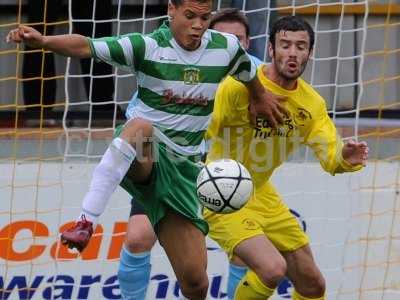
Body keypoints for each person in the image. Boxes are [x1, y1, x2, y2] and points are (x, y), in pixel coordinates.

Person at [6, 1, 286, 298]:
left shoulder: (225, 48)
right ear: (172, 9)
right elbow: (86, 46)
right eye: (189, 16)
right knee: (140, 127)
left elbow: (246, 71)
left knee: (196, 282)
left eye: (204, 17)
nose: (198, 25)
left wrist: (259, 96)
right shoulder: (146, 46)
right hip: (144, 156)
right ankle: (85, 222)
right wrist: (44, 40)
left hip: (184, 173)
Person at [204, 15, 369, 300]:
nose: (293, 53)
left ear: (310, 53)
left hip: (262, 193)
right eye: (285, 45)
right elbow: (204, 130)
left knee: (313, 285)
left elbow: (329, 152)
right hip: (222, 190)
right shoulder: (236, 87)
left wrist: (343, 156)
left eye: (301, 47)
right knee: (272, 269)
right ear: (270, 49)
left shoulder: (311, 104)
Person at [119, 8, 263, 299]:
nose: (229, 43)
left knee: (244, 253)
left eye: (238, 38)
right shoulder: (172, 65)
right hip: (173, 168)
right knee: (137, 238)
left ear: (246, 44)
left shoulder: (257, 76)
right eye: (223, 36)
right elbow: (137, 116)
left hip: (227, 176)